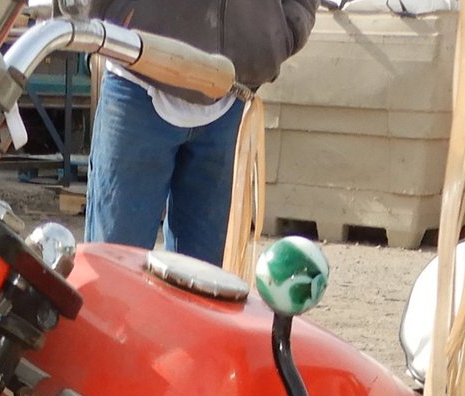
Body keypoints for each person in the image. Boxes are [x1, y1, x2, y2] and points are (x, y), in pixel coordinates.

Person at [85, 0, 319, 267]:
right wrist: (114, 16)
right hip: (138, 76)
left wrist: (282, 33)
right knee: (114, 270)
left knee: (205, 285)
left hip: (233, 90)